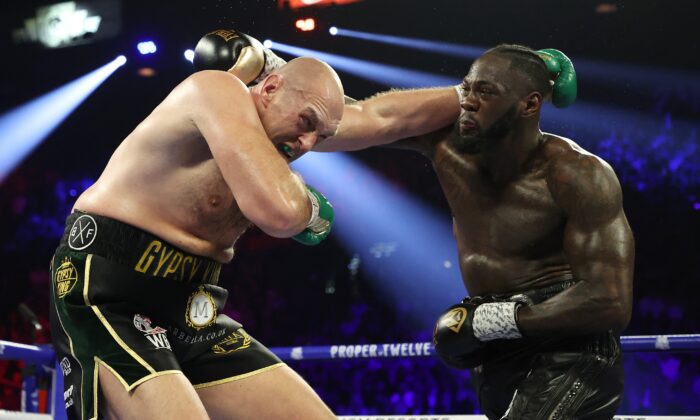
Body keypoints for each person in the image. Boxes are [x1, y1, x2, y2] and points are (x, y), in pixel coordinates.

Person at [322, 45, 635, 419]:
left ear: (529, 105)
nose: (468, 102)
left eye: (486, 92)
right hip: (494, 343)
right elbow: (338, 122)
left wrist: (504, 320)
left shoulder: (577, 174)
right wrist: (270, 71)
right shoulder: (445, 146)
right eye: (465, 89)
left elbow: (610, 300)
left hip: (569, 343)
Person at [50, 55, 347, 419]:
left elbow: (385, 119)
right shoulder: (217, 90)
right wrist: (311, 208)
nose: (307, 143)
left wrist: (440, 107)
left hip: (192, 307)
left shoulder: (268, 152)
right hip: (109, 289)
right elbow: (282, 213)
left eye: (322, 136)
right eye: (306, 123)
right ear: (269, 88)